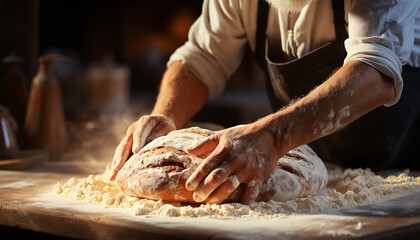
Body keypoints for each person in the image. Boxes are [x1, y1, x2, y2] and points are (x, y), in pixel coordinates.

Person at [109, 0, 420, 205]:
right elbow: (202, 56)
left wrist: (273, 136)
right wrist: (165, 115)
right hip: (325, 173)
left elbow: (374, 71)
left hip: (405, 180)